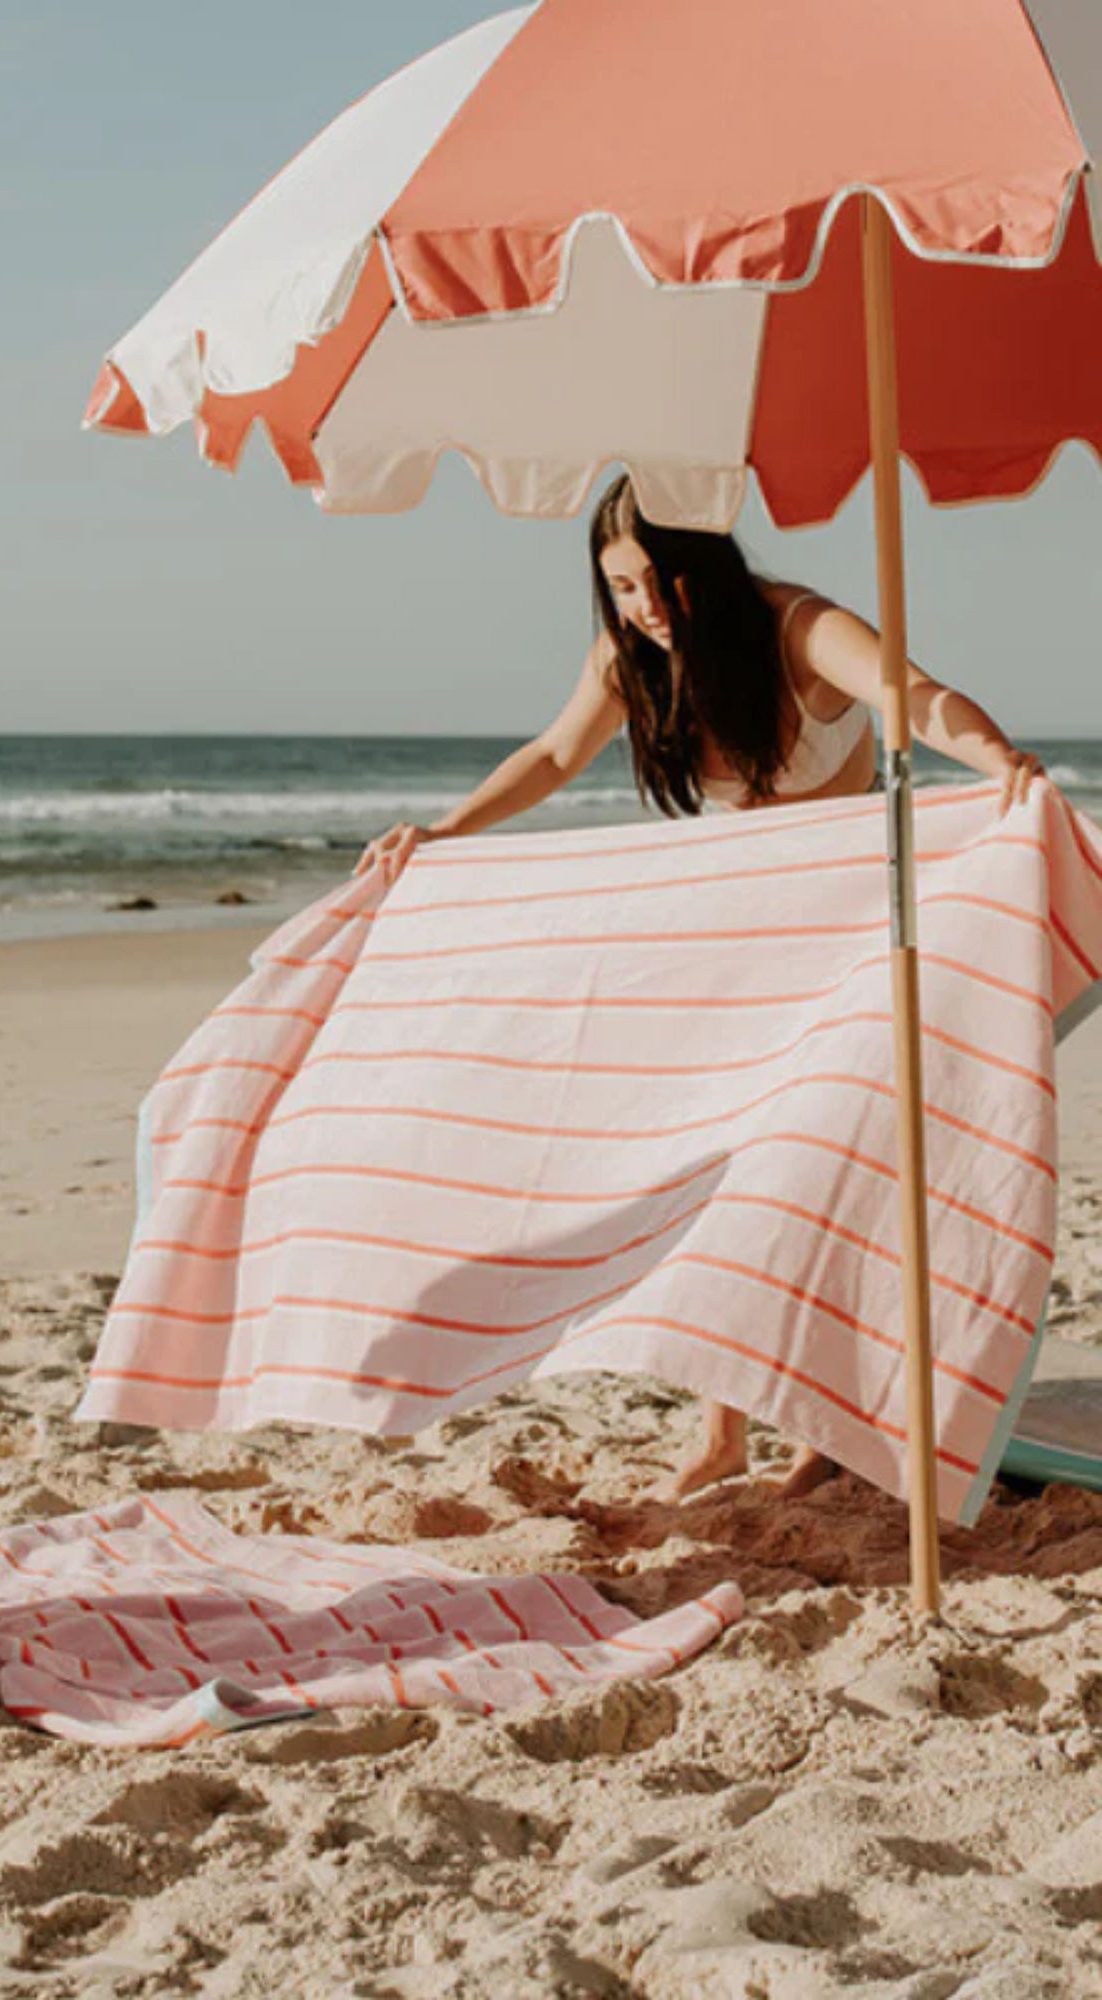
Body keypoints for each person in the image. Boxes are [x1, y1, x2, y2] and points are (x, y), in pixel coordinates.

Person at [359, 474, 1046, 1502]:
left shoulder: (794, 628)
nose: (637, 605)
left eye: (650, 579)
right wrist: (445, 831)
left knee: (836, 1174)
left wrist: (994, 755)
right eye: (618, 586)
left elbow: (905, 691)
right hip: (741, 939)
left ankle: (830, 1423)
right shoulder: (630, 657)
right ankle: (722, 1432)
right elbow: (553, 753)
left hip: (855, 928)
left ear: (700, 565)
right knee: (718, 1170)